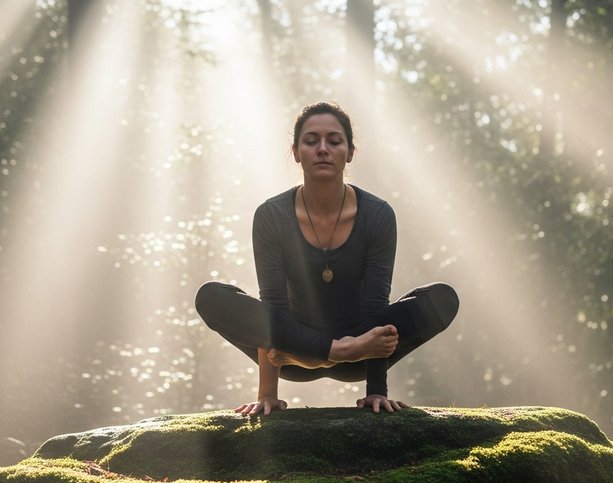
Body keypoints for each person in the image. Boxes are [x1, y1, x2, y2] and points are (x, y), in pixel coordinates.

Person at [195, 102, 458, 416]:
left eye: (334, 141)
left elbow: (376, 303)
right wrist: (267, 393)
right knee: (211, 296)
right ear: (296, 151)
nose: (322, 149)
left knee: (442, 298)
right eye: (311, 141)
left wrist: (377, 391)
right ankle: (331, 351)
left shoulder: (377, 214)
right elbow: (273, 304)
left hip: (359, 349)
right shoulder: (271, 215)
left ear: (349, 152)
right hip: (294, 349)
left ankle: (335, 351)